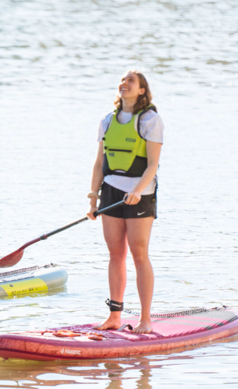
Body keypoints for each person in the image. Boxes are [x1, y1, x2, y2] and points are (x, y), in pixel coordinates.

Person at [87, 70, 164, 334]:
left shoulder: (150, 120)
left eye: (131, 81)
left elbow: (153, 164)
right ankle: (114, 316)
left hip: (140, 195)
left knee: (139, 254)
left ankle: (145, 319)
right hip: (110, 192)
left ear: (142, 90)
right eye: (123, 79)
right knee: (115, 254)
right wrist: (92, 198)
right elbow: (99, 163)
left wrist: (138, 191)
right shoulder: (107, 120)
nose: (125, 83)